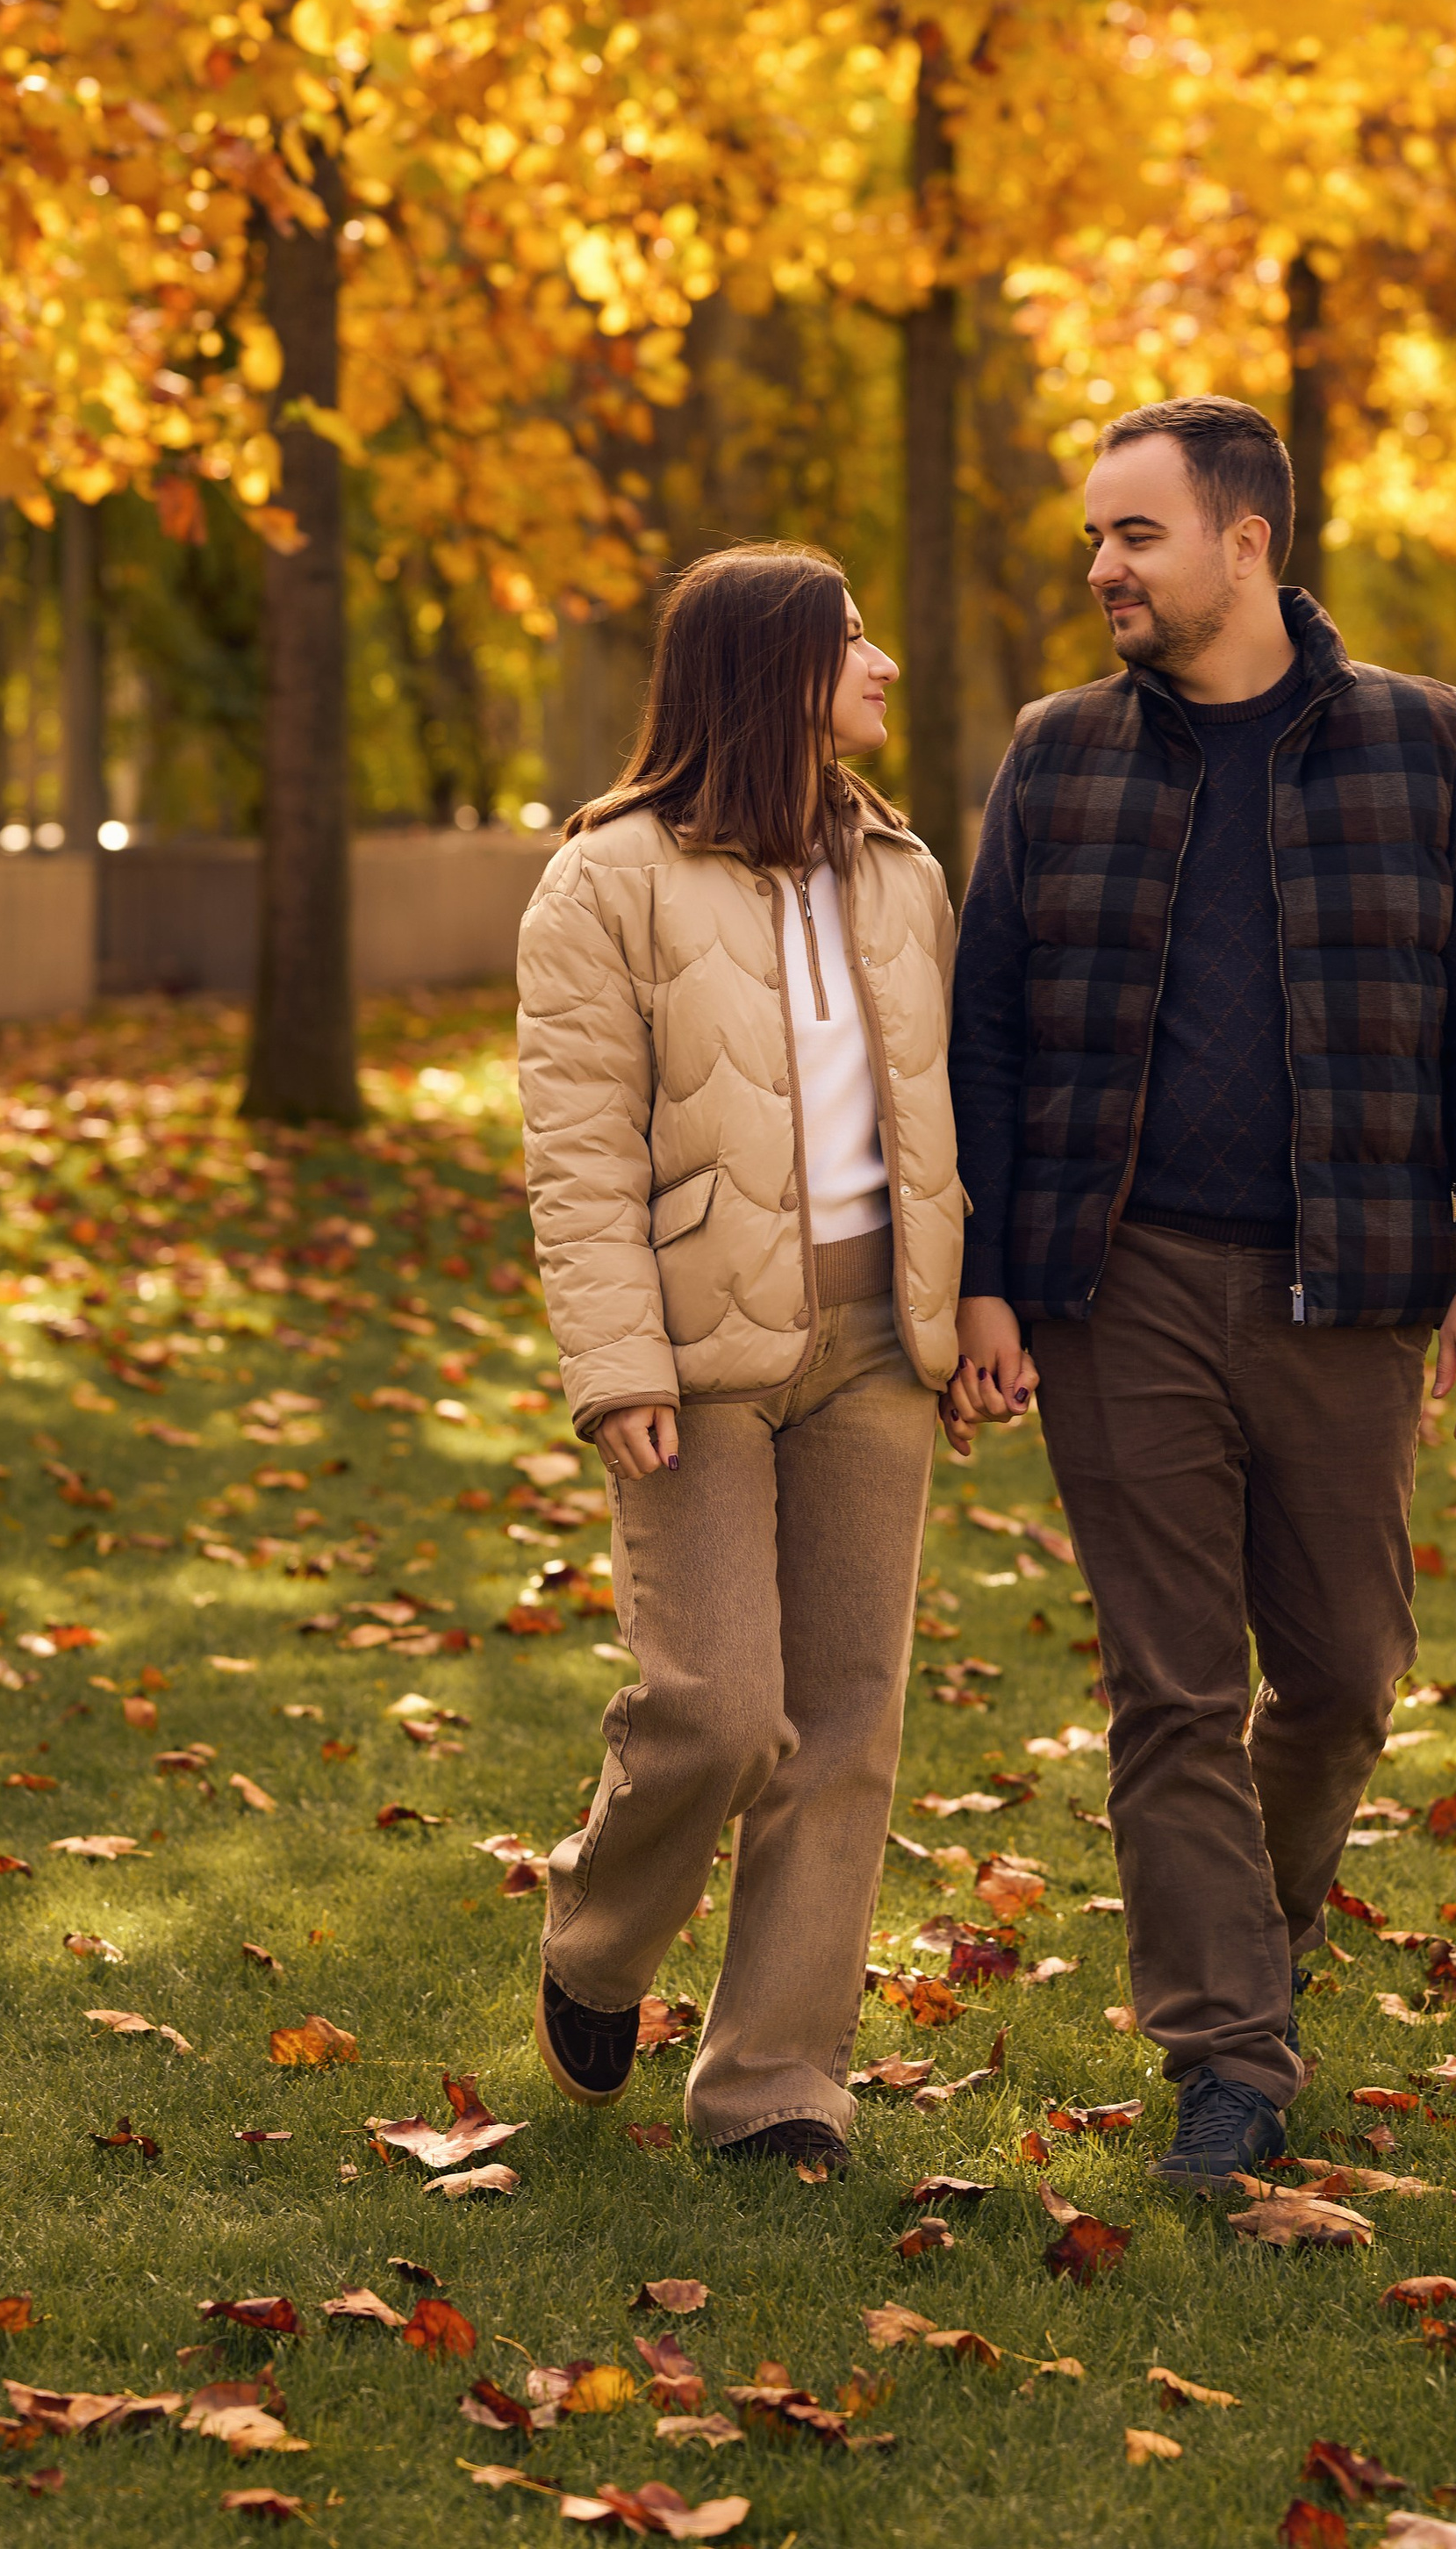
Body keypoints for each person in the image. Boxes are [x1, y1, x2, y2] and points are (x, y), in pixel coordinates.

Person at [945, 396, 1456, 2189]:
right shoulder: (1055, 757)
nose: (1102, 568)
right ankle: (1227, 2056)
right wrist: (985, 1278)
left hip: (1346, 1290)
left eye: (1133, 534)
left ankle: (1252, 1933)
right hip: (1112, 1286)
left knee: (1347, 1678)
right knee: (1169, 1690)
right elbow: (982, 1034)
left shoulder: (1409, 745)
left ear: (1243, 541)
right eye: (1089, 539)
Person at [516, 544, 970, 2174]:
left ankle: (776, 2082)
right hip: (694, 1361)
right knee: (715, 1711)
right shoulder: (606, 881)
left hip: (877, 1351)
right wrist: (618, 1359)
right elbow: (576, 1153)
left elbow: (938, 1121)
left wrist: (969, 1316)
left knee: (848, 1728)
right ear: (768, 665)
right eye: (852, 635)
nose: (884, 661)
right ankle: (596, 1936)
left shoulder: (905, 871)